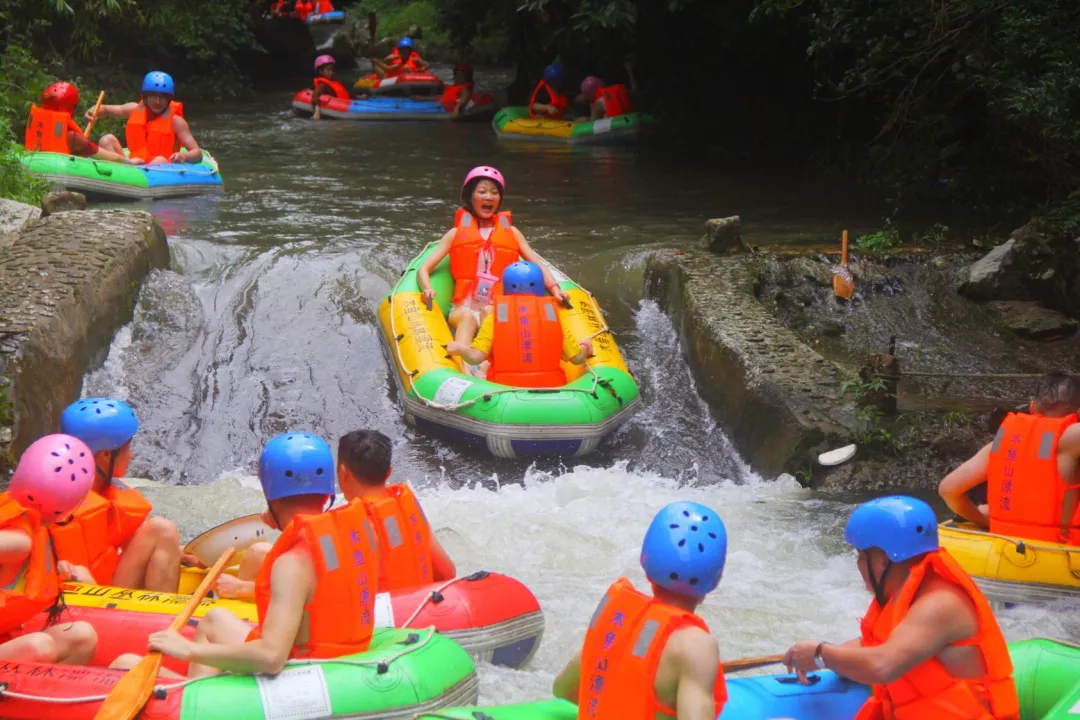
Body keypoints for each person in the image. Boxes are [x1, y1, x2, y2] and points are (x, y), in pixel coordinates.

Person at [112, 432, 379, 678]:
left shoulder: (292, 563)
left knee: (125, 664)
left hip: (304, 670)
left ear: (270, 494)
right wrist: (283, 521)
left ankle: (197, 702)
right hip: (340, 660)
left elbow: (272, 656)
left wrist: (188, 650)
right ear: (327, 493)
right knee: (215, 618)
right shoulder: (353, 533)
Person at [783, 496, 1019, 720]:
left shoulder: (939, 604)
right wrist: (817, 657)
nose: (858, 564)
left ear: (883, 560)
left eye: (861, 556)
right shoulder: (910, 595)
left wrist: (820, 653)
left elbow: (882, 665)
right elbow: (872, 645)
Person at [213, 429, 456, 599]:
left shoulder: (346, 525)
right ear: (389, 471)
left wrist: (242, 589)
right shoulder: (406, 508)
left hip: (375, 622)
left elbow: (314, 592)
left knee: (257, 553)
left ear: (342, 472)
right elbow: (446, 572)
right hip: (415, 607)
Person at [552, 501, 729, 720]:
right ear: (714, 580)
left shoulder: (619, 620)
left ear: (647, 565)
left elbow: (563, 690)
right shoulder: (695, 645)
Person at [417, 167, 568, 367]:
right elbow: (424, 268)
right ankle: (458, 367)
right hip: (465, 306)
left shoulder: (512, 233)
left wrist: (556, 289)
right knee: (467, 319)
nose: (488, 196)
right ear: (471, 196)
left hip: (498, 306)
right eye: (482, 191)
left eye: (494, 192)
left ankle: (490, 370)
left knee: (491, 314)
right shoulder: (455, 234)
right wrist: (427, 288)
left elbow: (537, 263)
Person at [53, 397, 187, 592]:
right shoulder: (55, 500)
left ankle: (168, 616)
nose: (132, 456)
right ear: (106, 454)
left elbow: (126, 541)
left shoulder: (108, 489)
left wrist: (179, 551)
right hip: (80, 598)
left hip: (109, 588)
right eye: (127, 449)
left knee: (162, 530)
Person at [938, 373, 1080, 544]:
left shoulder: (1002, 444)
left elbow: (948, 490)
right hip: (1059, 548)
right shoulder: (1071, 437)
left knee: (984, 507)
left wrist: (985, 521)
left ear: (1032, 407)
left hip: (1005, 545)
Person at [0, 435, 98, 664]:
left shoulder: (31, 528)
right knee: (38, 646)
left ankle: (44, 698)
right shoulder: (19, 541)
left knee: (81, 636)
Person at [448, 261, 592, 387]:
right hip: (551, 389)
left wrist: (460, 348)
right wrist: (586, 347)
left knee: (479, 368)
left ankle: (482, 371)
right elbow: (577, 359)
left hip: (503, 390)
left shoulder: (495, 317)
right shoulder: (553, 317)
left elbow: (475, 357)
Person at [92, 71, 203, 165]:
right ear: (145, 97)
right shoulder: (134, 109)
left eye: (162, 97)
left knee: (159, 160)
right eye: (153, 96)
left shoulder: (176, 122)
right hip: (133, 163)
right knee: (106, 140)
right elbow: (105, 109)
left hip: (161, 167)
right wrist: (93, 111)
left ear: (169, 99)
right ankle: (122, 171)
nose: (157, 101)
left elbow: (197, 153)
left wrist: (183, 155)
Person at [24, 82, 137, 164]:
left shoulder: (35, 124)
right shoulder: (73, 138)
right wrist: (130, 163)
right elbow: (111, 158)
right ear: (71, 107)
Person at [311, 55, 351, 120]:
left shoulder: (332, 82)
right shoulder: (323, 84)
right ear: (321, 71)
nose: (332, 72)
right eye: (328, 70)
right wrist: (317, 111)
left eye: (332, 70)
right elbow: (315, 95)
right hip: (341, 106)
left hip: (345, 102)